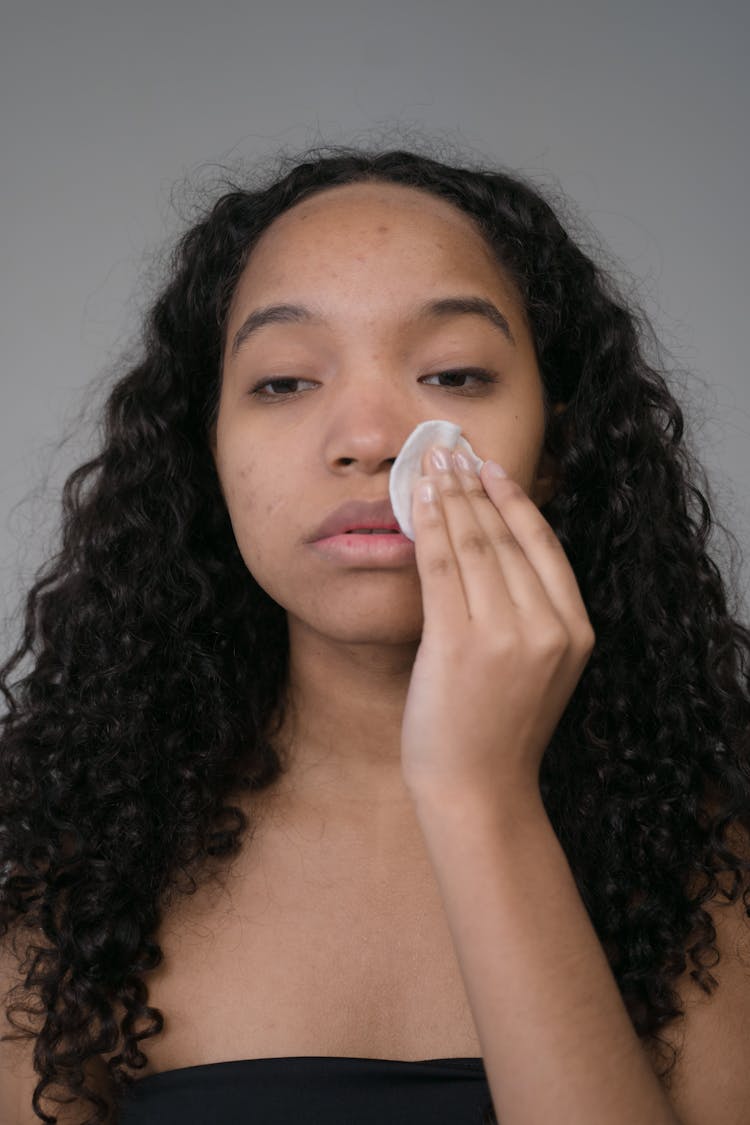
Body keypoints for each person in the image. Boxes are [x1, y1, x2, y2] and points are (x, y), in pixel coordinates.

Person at [1, 144, 749, 1125]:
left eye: (451, 371)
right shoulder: (75, 874)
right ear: (205, 456)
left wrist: (482, 797)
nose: (369, 436)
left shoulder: (711, 866)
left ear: (560, 446)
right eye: (282, 382)